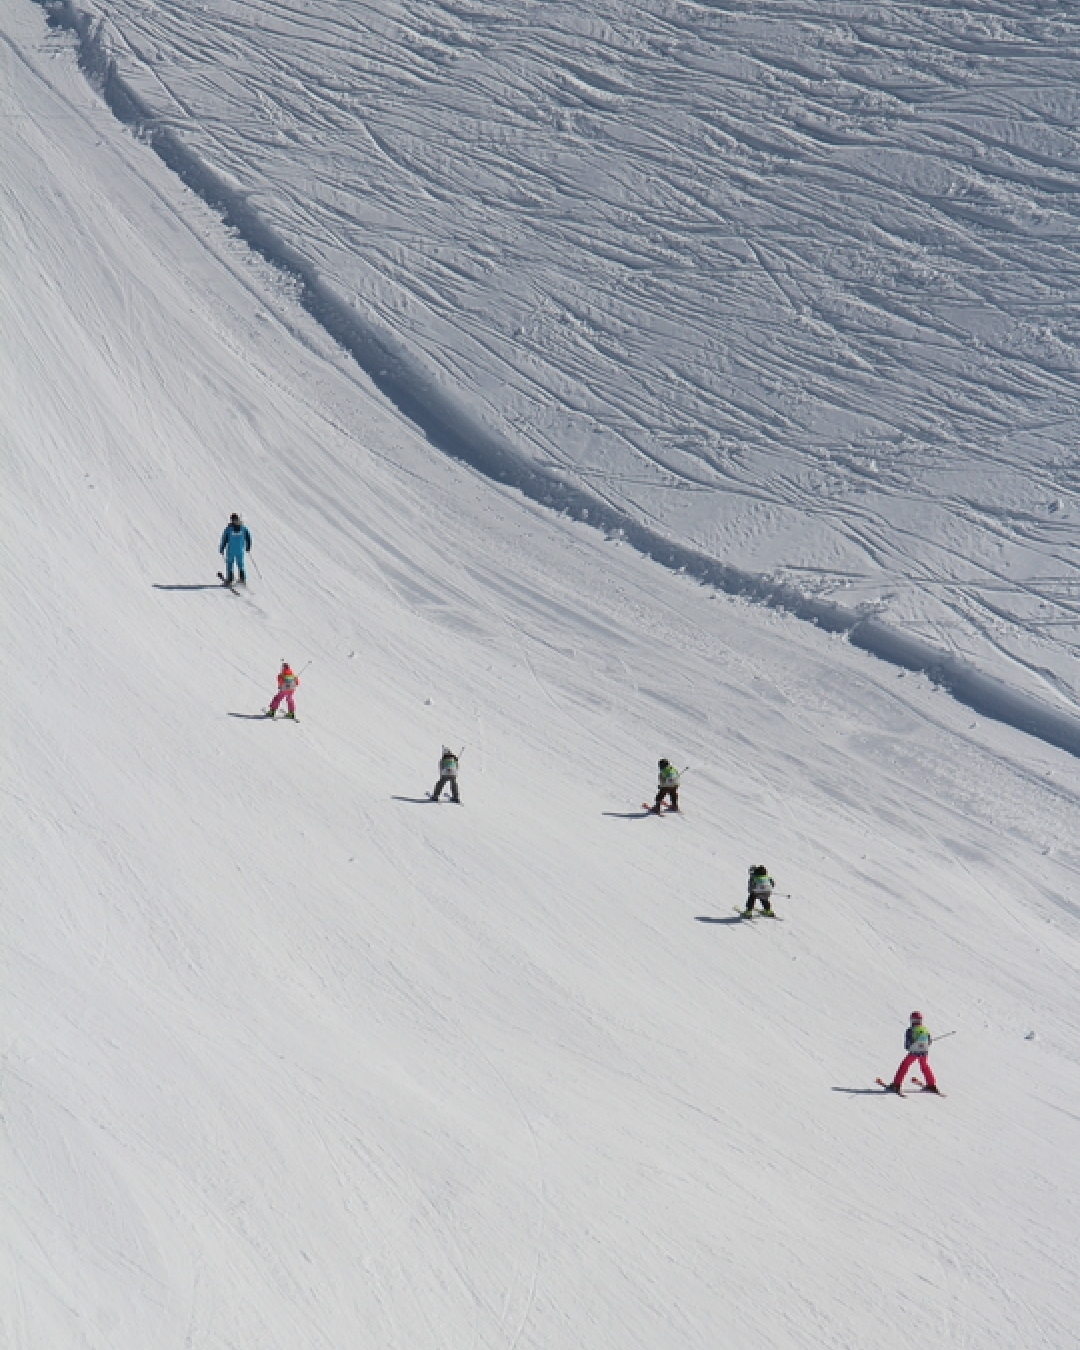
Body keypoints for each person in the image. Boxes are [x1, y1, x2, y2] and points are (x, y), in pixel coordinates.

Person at [888, 1012, 940, 1093]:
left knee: (904, 1065)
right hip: (924, 1052)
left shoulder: (911, 1030)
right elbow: (929, 1041)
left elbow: (907, 1044)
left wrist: (910, 1047)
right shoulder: (925, 1029)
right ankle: (931, 1084)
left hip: (914, 1052)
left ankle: (896, 1084)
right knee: (925, 1067)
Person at [219, 513, 252, 585]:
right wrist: (248, 546)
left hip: (232, 550)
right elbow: (248, 537)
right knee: (240, 564)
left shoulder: (229, 529)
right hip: (240, 550)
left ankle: (231, 579)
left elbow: (224, 538)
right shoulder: (243, 528)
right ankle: (242, 578)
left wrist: (221, 548)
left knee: (230, 564)